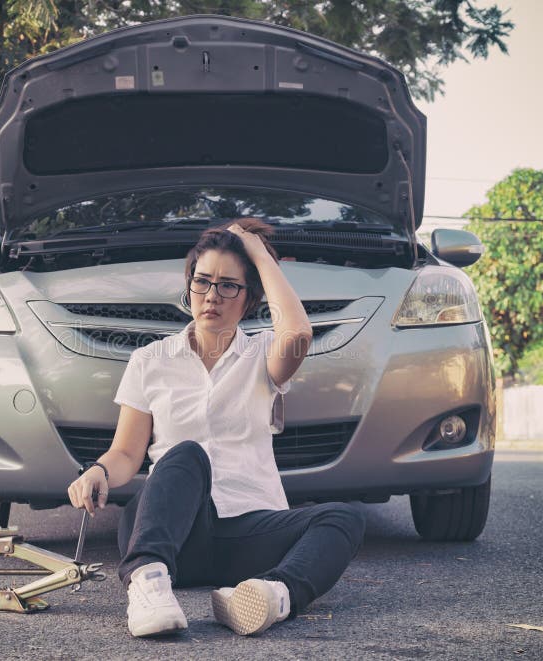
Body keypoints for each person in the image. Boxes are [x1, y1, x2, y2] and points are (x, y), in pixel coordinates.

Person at [68, 218, 366, 638]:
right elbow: (126, 454)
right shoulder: (151, 360)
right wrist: (96, 470)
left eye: (229, 285)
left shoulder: (264, 354)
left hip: (248, 534)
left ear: (250, 299)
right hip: (172, 535)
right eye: (202, 281)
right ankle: (148, 586)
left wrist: (257, 250)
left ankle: (272, 596)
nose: (212, 295)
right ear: (188, 286)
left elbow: (298, 330)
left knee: (344, 517)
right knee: (186, 454)